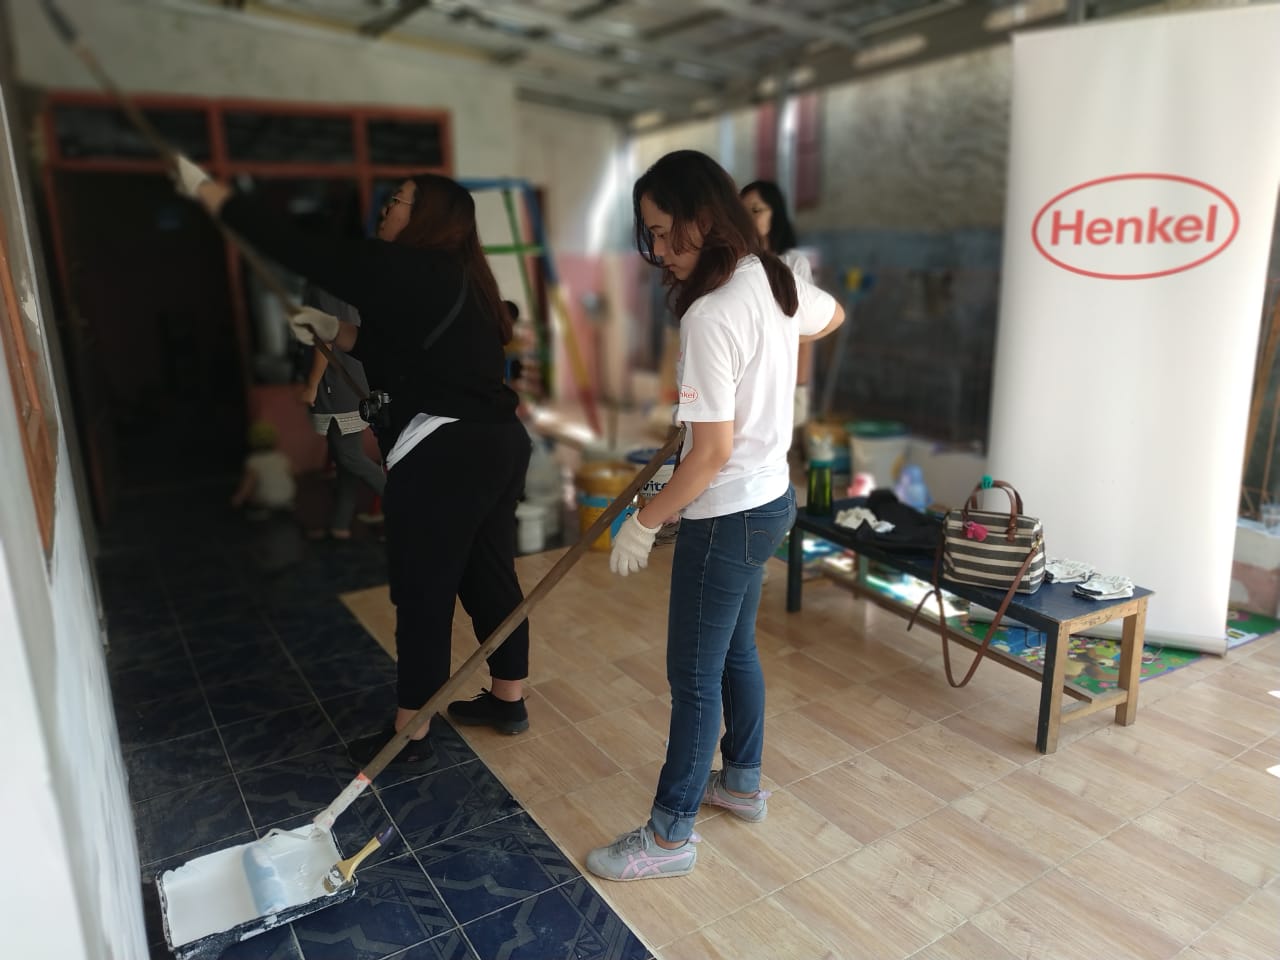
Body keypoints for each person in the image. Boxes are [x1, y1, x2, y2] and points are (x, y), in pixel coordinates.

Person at [171, 158, 535, 761]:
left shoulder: (405, 266)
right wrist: (333, 331)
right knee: (489, 572)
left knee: (423, 589)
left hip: (445, 453)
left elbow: (295, 248)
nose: (386, 208)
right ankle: (508, 697)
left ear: (429, 219)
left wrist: (212, 194)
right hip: (496, 444)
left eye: (399, 200)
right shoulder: (461, 278)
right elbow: (401, 348)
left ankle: (410, 730)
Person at [585, 151, 844, 881]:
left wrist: (644, 521)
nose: (660, 252)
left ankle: (669, 836)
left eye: (666, 233)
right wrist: (770, 356)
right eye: (650, 238)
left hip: (726, 511)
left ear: (705, 216)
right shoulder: (776, 277)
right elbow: (833, 316)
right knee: (733, 653)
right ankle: (741, 783)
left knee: (693, 677)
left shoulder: (709, 314)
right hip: (770, 502)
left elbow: (707, 457)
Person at [297, 284, 386, 541]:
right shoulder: (337, 282)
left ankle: (409, 507)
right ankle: (340, 524)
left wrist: (312, 384)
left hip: (337, 382)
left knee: (348, 456)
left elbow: (326, 337)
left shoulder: (324, 287)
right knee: (344, 457)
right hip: (347, 377)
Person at [740, 180, 816, 432]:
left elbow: (804, 333)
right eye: (742, 212)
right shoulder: (736, 265)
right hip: (746, 382)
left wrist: (801, 388)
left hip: (782, 380)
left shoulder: (794, 265)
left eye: (756, 210)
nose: (748, 218)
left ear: (776, 212)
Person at [231, 420, 296, 516]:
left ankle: (261, 511)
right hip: (287, 497)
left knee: (253, 495)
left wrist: (238, 499)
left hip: (266, 500)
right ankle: (285, 505)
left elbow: (248, 484)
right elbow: (294, 474)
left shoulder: (253, 461)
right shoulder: (281, 457)